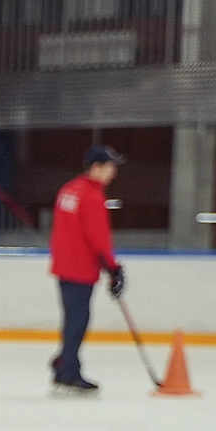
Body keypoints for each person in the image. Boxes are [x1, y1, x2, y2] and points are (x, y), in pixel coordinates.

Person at [48, 144, 126, 397]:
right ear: (96, 167)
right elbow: (99, 238)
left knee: (73, 318)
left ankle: (66, 363)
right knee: (78, 320)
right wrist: (113, 269)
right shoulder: (92, 196)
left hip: (65, 266)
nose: (113, 173)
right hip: (80, 268)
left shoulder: (68, 190)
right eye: (110, 168)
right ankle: (67, 371)